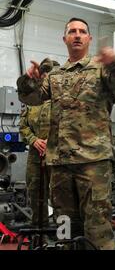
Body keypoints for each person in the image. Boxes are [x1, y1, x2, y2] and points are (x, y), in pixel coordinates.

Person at [16, 17, 115, 250]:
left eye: (82, 31)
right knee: (65, 225)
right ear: (65, 39)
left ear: (89, 38)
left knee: (97, 226)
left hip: (93, 162)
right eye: (72, 31)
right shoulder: (55, 75)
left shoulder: (102, 70)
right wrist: (29, 81)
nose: (77, 35)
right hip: (60, 163)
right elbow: (30, 98)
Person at [19, 59, 59, 229]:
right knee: (35, 193)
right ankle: (38, 230)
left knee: (59, 195)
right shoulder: (32, 100)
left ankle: (62, 235)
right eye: (44, 73)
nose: (45, 76)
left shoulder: (60, 98)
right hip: (36, 154)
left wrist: (51, 141)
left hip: (58, 154)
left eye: (49, 73)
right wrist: (34, 140)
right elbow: (23, 126)